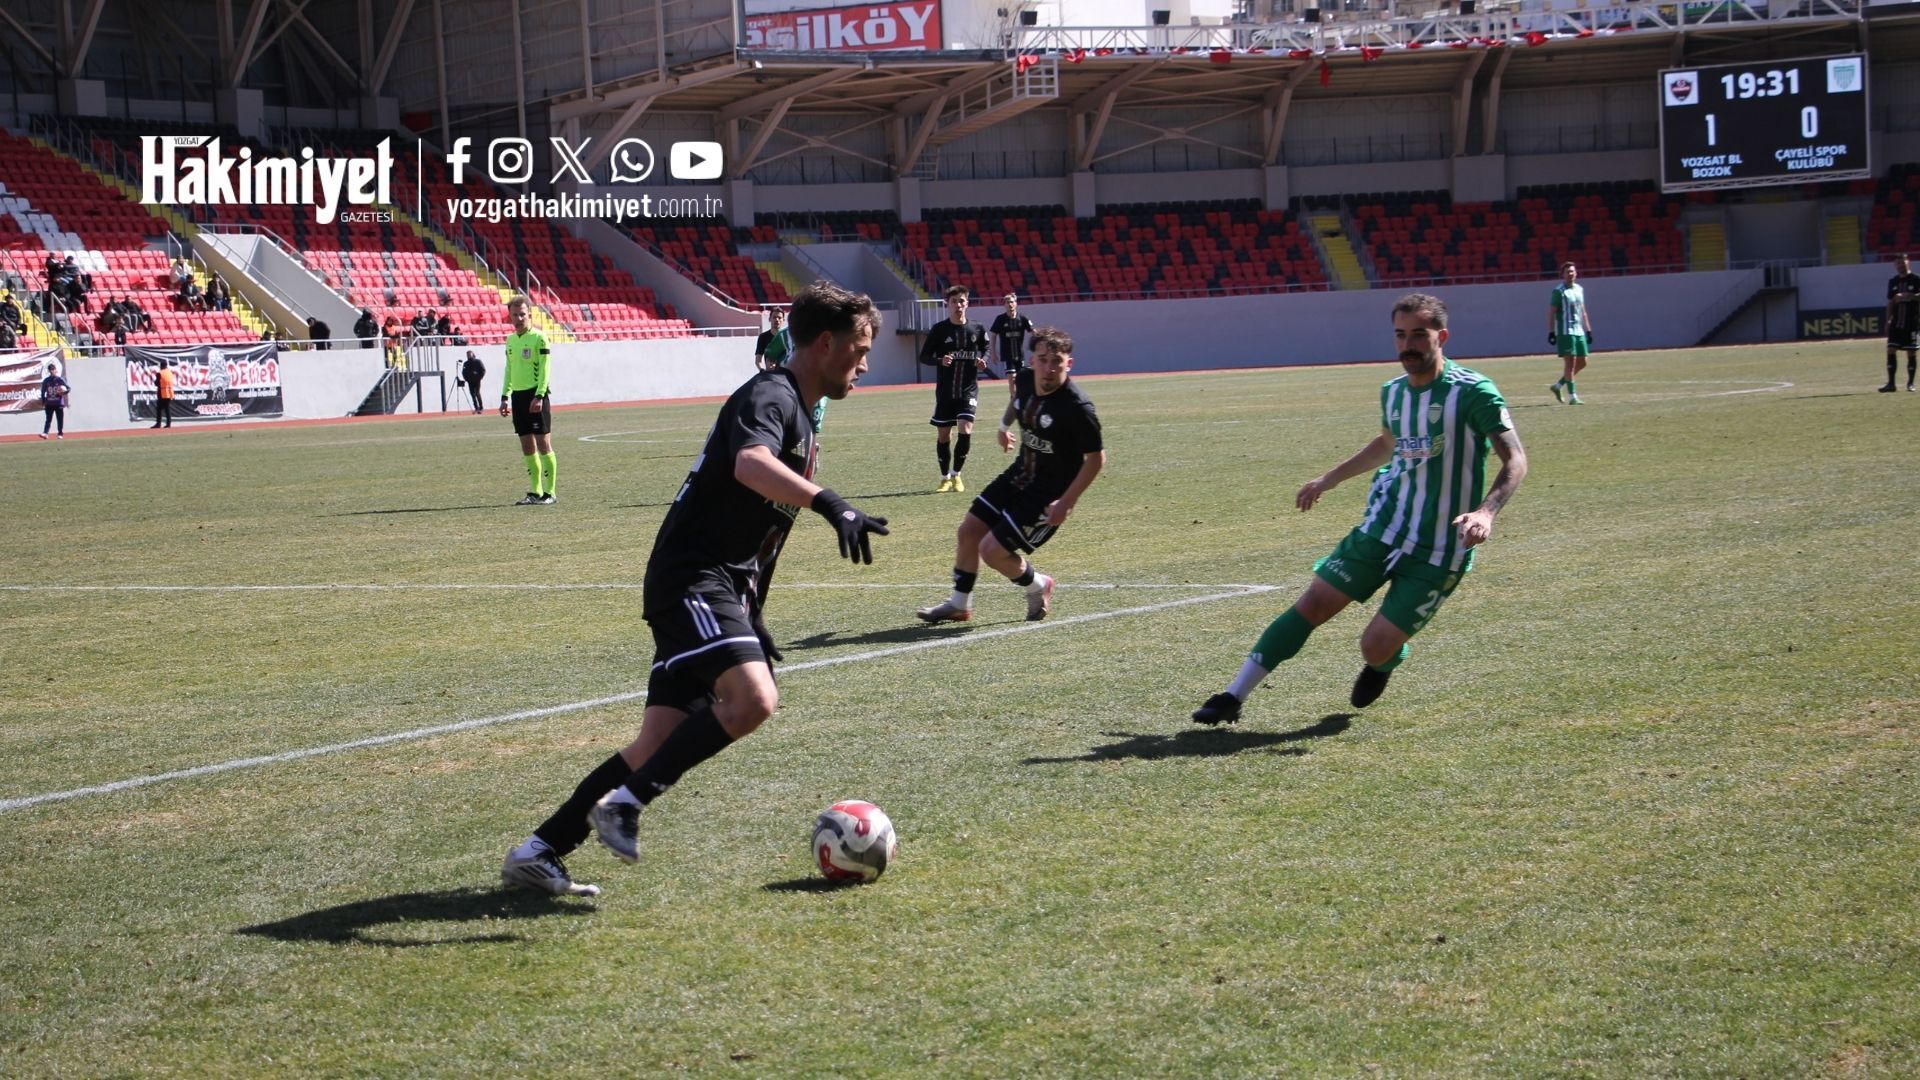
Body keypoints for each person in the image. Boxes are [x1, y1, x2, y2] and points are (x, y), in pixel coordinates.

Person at [500, 281, 890, 897]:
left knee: (655, 741)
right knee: (754, 699)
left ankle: (540, 849)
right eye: (859, 348)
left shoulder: (804, 419)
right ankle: (624, 805)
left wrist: (752, 611)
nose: (865, 363)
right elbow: (749, 464)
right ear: (824, 343)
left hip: (714, 582)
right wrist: (829, 502)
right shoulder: (772, 394)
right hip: (692, 576)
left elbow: (760, 531)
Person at [1190, 293, 1528, 724]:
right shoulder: (1393, 393)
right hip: (1381, 530)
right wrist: (1328, 479)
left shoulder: (1472, 392)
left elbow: (1515, 459)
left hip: (1442, 549)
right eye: (1400, 335)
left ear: (1441, 337)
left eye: (1419, 336)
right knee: (1312, 605)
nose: (1408, 346)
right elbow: (1388, 443)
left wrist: (1486, 512)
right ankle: (1232, 697)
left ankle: (1384, 662)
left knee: (1375, 645)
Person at [915, 326, 1104, 625]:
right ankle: (959, 604)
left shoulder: (1077, 407)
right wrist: (1003, 428)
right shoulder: (1028, 378)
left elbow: (1096, 459)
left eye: (1057, 361)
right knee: (969, 531)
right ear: (1033, 359)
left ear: (1069, 363)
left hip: (1047, 494)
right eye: (1043, 359)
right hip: (1019, 476)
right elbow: (1016, 403)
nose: (1049, 368)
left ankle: (1039, 585)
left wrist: (1066, 502)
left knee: (992, 551)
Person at [918, 284, 989, 492]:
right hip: (946, 392)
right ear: (947, 305)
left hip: (968, 390)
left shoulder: (976, 328)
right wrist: (941, 360)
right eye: (954, 302)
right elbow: (924, 357)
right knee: (944, 436)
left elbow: (985, 347)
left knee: (965, 429)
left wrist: (983, 360)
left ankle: (957, 475)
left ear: (967, 303)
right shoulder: (939, 330)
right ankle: (944, 477)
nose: (958, 305)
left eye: (962, 301)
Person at [499, 296, 558, 505]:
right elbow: (509, 369)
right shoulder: (510, 340)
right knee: (526, 445)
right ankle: (535, 491)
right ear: (510, 316)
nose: (519, 318)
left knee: (543, 444)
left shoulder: (539, 338)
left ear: (530, 315)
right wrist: (505, 396)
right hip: (518, 397)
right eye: (515, 314)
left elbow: (545, 368)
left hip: (536, 395)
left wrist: (540, 395)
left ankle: (550, 493)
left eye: (522, 314)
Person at [1547, 261, 1593, 405]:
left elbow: (1583, 310)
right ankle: (1573, 396)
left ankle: (1558, 385)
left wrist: (1588, 329)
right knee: (1570, 363)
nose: (1570, 274)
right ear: (1563, 275)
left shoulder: (1579, 289)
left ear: (1576, 273)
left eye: (1572, 271)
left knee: (1583, 362)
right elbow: (1551, 313)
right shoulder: (1559, 291)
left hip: (1578, 331)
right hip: (1566, 332)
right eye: (1567, 272)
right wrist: (1551, 332)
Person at [1882, 253, 1919, 393]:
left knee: (1911, 352)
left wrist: (1909, 296)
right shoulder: (1893, 281)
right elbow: (1890, 302)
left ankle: (1910, 384)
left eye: (1902, 263)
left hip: (1912, 321)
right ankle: (1891, 383)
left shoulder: (1916, 279)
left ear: (1908, 262)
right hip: (1896, 322)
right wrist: (1888, 320)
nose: (1900, 266)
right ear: (1895, 265)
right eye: (1898, 264)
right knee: (1891, 349)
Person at [989, 293, 1034, 399]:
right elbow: (993, 335)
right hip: (1007, 355)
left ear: (1016, 303)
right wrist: (993, 353)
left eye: (1012, 302)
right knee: (1012, 378)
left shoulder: (1023, 318)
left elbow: (1033, 332)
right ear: (1004, 305)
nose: (1010, 304)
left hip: (1019, 355)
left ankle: (1020, 398)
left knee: (1020, 379)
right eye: (1007, 302)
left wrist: (1040, 342)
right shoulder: (1000, 319)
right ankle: (1014, 399)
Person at [39, 362, 69, 439]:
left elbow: (68, 388)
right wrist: (43, 401)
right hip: (49, 402)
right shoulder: (46, 380)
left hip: (58, 403)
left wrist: (63, 392)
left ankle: (60, 433)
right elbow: (43, 391)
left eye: (53, 369)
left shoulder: (60, 379)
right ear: (49, 371)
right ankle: (45, 433)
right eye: (51, 370)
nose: (52, 371)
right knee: (48, 419)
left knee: (60, 419)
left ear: (56, 370)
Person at [151, 359, 175, 429]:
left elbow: (157, 383)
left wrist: (155, 381)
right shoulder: (170, 372)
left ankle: (158, 424)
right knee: (167, 408)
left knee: (159, 409)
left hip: (162, 393)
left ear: (161, 366)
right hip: (169, 393)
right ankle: (168, 423)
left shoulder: (160, 373)